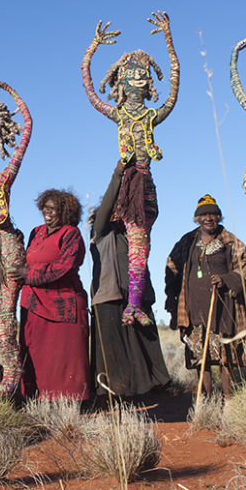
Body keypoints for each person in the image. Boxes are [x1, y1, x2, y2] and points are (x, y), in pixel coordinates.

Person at [88, 162, 170, 399]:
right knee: (114, 353)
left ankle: (148, 394)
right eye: (115, 208)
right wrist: (118, 174)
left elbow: (150, 208)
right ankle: (113, 396)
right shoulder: (100, 232)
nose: (117, 211)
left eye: (122, 207)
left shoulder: (135, 233)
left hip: (137, 297)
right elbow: (105, 208)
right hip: (109, 297)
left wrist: (144, 173)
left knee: (142, 351)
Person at [165, 195, 246, 399]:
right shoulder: (187, 241)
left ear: (219, 217)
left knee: (225, 356)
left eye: (213, 214)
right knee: (200, 356)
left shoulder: (229, 240)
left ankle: (228, 399)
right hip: (194, 308)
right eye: (204, 215)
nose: (208, 218)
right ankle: (207, 398)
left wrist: (227, 279)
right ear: (197, 218)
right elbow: (172, 266)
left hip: (223, 308)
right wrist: (172, 296)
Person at [19, 189, 90, 401]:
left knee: (65, 357)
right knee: (35, 353)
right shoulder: (36, 232)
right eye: (45, 208)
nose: (48, 213)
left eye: (54, 210)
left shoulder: (71, 234)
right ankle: (38, 399)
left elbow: (65, 266)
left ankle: (69, 403)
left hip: (63, 303)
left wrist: (28, 274)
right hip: (34, 304)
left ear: (66, 213)